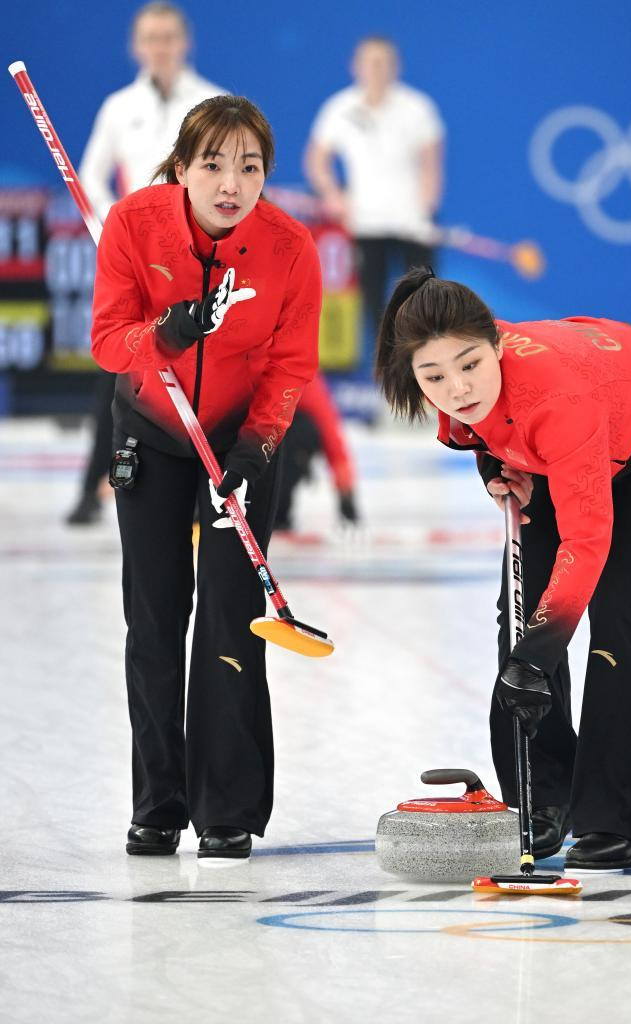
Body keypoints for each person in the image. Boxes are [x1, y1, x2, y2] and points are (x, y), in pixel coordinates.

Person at [375, 268, 631, 872]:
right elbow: (478, 434)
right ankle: (541, 800)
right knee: (522, 617)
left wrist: (535, 659)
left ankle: (617, 820)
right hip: (569, 443)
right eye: (434, 377)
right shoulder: (455, 389)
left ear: (498, 346)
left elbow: (587, 541)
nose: (457, 388)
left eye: (470, 365)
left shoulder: (557, 400)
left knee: (618, 611)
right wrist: (497, 470)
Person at [91, 95, 322, 859]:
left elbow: (291, 365)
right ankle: (158, 803)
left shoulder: (290, 247)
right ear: (182, 167)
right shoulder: (133, 223)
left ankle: (227, 808)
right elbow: (107, 342)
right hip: (152, 431)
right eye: (213, 164)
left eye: (250, 167)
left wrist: (256, 448)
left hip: (239, 437)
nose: (231, 183)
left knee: (231, 615)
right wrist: (161, 334)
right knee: (155, 616)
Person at [67, 1, 223, 525]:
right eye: (151, 38)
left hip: (195, 258)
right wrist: (115, 227)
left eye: (169, 36)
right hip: (134, 260)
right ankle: (91, 489)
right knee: (116, 374)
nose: (160, 47)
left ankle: (208, 492)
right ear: (137, 46)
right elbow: (90, 176)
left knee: (202, 377)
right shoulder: (119, 107)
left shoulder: (211, 102)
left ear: (185, 42)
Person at [304, 36, 444, 394]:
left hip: (413, 226)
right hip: (365, 226)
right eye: (369, 62)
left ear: (395, 67)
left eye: (383, 62)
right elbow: (316, 159)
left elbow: (432, 163)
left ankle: (431, 383)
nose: (376, 69)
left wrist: (427, 207)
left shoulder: (418, 108)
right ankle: (390, 387)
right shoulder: (339, 108)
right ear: (356, 66)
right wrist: (333, 195)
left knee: (424, 305)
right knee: (376, 309)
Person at [274, 372, 360, 531]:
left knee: (302, 429)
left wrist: (346, 496)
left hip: (280, 445)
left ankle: (276, 506)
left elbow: (330, 436)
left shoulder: (304, 379)